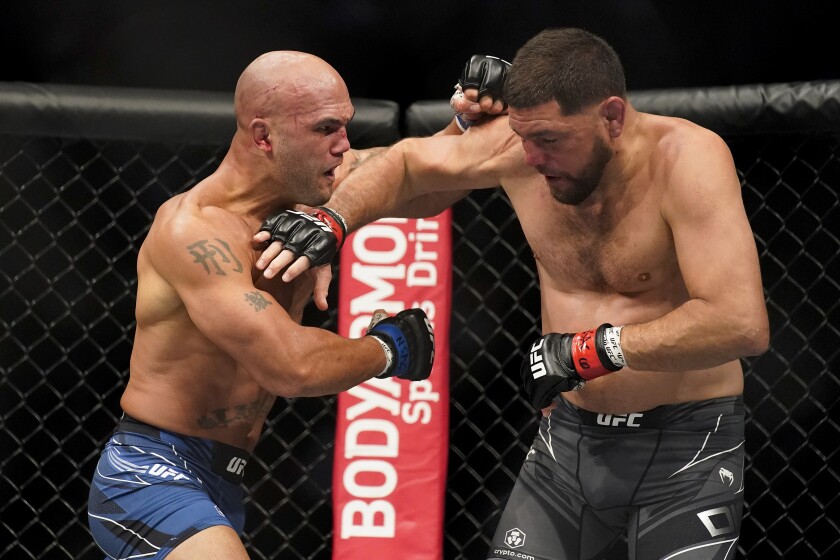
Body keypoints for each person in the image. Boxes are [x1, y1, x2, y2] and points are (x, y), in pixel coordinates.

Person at [255, 29, 770, 560]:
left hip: (688, 449)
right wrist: (331, 221)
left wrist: (592, 349)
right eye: (524, 136)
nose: (531, 156)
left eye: (549, 139)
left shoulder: (686, 159)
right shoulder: (523, 149)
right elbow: (407, 165)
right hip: (568, 444)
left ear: (612, 117)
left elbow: (740, 323)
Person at [86, 51, 437, 560]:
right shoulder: (195, 229)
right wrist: (388, 349)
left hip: (226, 479)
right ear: (264, 137)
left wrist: (466, 120)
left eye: (346, 126)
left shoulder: (312, 193)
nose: (344, 146)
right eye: (325, 128)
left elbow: (426, 177)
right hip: (149, 474)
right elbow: (289, 367)